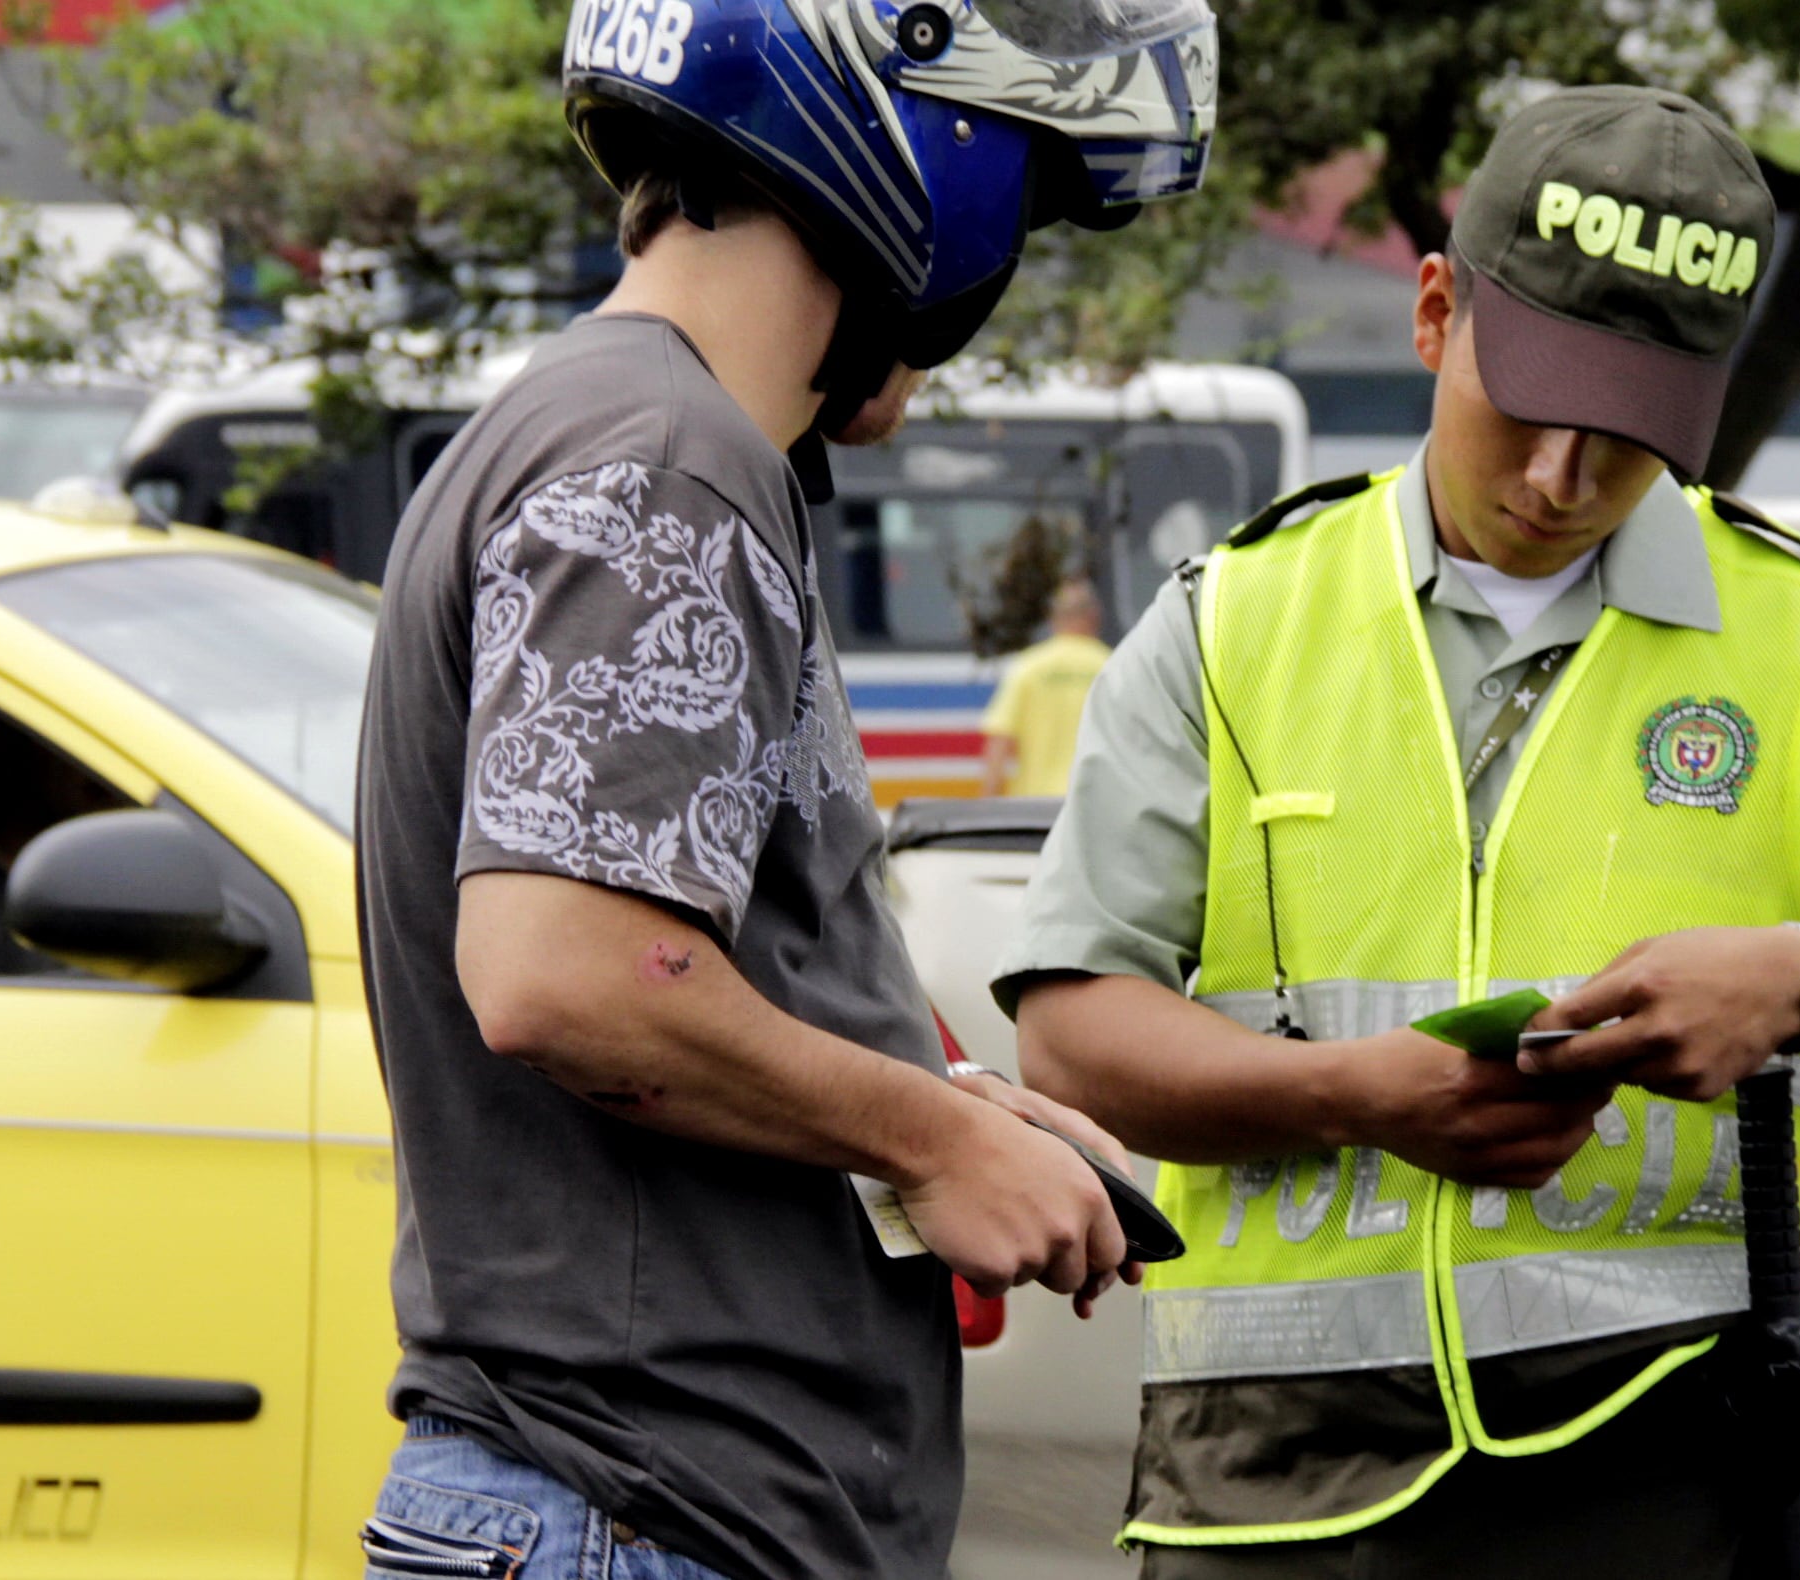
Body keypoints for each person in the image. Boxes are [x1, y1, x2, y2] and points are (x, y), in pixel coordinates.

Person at [995, 86, 1800, 1579]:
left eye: (1626, 438)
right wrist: (1362, 1093)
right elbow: (1072, 1030)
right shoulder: (1229, 623)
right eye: (1530, 408)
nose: (1560, 481)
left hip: (1683, 1469)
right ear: (1435, 314)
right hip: (1282, 1486)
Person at [350, 3, 1217, 1578]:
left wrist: (926, 1099)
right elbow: (565, 975)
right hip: (644, 1511)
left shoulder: (617, 428)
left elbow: (663, 951)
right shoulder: (664, 458)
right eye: (1020, 197)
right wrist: (927, 1147)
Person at [980, 576, 1110, 795]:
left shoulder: (1028, 667)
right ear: (1094, 617)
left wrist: (987, 806)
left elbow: (999, 745)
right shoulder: (1112, 666)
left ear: (1054, 619)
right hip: (1094, 806)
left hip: (1035, 809)